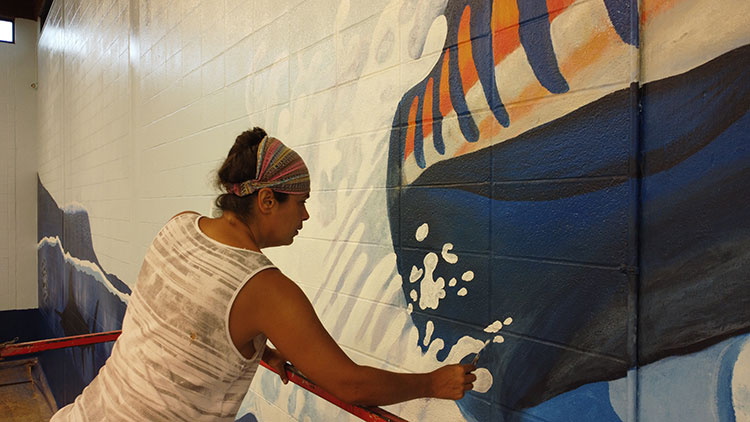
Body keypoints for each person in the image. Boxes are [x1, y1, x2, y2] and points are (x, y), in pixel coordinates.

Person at [50, 127, 476, 421]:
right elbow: (351, 384)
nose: (306, 216)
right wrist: (433, 382)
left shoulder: (178, 225)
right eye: (300, 202)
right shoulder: (265, 288)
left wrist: (250, 347)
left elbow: (177, 322)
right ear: (268, 200)